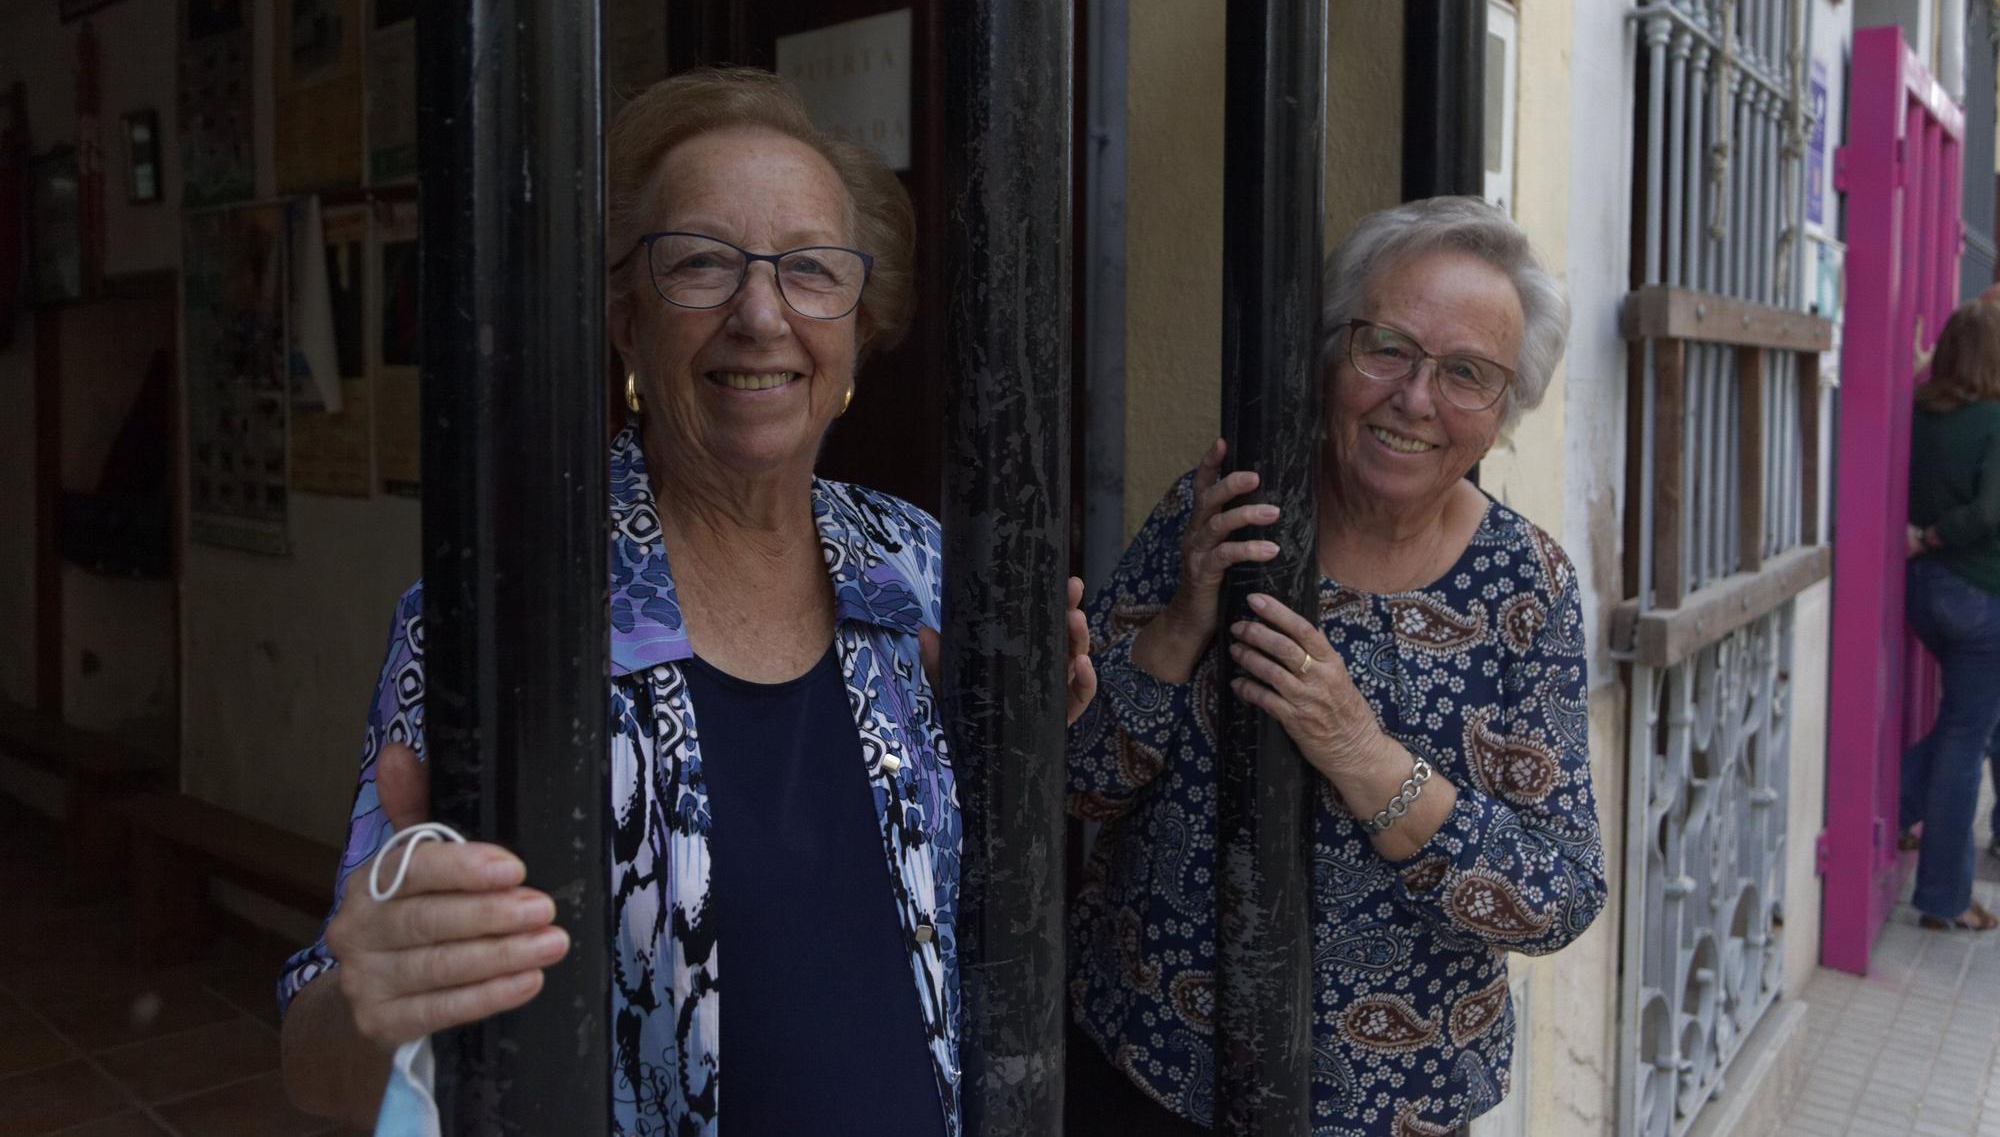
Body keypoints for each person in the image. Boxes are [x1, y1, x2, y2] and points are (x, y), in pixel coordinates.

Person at [276, 67, 1097, 1135]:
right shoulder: (498, 619)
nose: (761, 314)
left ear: (855, 325)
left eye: (808, 269)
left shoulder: (918, 564)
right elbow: (320, 1057)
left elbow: (950, 914)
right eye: (702, 263)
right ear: (626, 317)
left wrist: (1016, 751)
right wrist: (372, 1005)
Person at [1066, 196, 1605, 1136]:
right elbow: (1078, 780)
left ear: (1503, 412)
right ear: (1331, 352)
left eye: (1467, 374)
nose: (1415, 397)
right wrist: (1187, 611)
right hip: (1148, 1064)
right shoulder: (1233, 505)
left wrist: (1360, 750)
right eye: (1386, 346)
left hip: (1391, 1106)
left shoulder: (1528, 587)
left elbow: (1556, 895)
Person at [1899, 298, 2000, 932]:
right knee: (1967, 737)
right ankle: (1944, 898)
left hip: (1923, 594)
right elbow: (1991, 513)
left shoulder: (1919, 412)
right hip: (1980, 596)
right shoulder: (1995, 421)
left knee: (1961, 729)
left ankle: (1886, 810)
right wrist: (1939, 534)